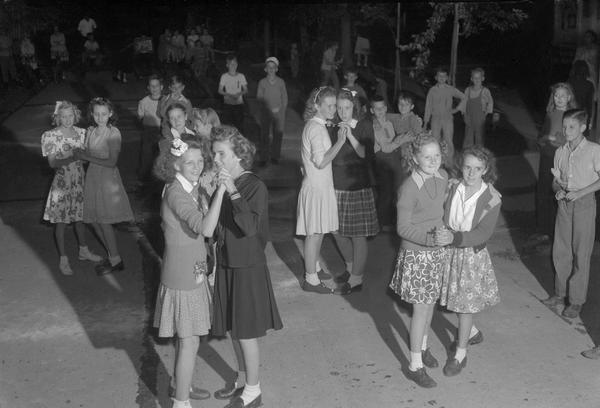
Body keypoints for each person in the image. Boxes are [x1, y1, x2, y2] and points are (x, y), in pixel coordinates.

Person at [208, 126, 283, 408]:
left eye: (220, 153)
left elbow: (249, 227)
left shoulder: (253, 186)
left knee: (246, 332)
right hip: (228, 262)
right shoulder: (226, 183)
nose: (215, 159)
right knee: (234, 328)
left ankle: (254, 390)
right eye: (213, 153)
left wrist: (232, 191)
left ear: (238, 155)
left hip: (247, 266)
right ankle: (242, 380)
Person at [152, 134, 226, 408]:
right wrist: (220, 191)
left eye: (199, 161)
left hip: (192, 271)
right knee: (190, 342)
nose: (197, 166)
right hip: (182, 278)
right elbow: (204, 228)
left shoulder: (189, 187)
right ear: (175, 166)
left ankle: (179, 385)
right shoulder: (176, 192)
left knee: (190, 340)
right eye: (189, 162)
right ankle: (180, 402)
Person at [389, 133, 450, 388]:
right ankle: (415, 365)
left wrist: (447, 232)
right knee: (421, 308)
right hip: (417, 253)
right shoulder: (408, 188)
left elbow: (443, 210)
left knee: (430, 304)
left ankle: (423, 348)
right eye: (427, 156)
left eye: (436, 155)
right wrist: (429, 239)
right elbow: (402, 228)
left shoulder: (443, 176)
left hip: (436, 251)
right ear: (415, 158)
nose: (433, 160)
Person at [438, 145, 501, 377]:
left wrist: (454, 237)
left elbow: (483, 233)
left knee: (464, 305)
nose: (471, 173)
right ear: (461, 167)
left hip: (471, 254)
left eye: (477, 168)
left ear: (485, 170)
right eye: (467, 167)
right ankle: (472, 331)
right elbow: (442, 211)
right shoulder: (454, 187)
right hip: (450, 250)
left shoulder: (491, 199)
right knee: (453, 298)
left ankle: (460, 354)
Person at [542, 109, 600, 320]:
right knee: (561, 251)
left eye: (572, 127)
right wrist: (558, 189)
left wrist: (581, 192)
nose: (566, 131)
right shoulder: (561, 152)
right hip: (565, 204)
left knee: (580, 254)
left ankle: (576, 302)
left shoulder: (594, 151)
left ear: (583, 127)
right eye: (564, 126)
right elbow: (556, 179)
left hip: (584, 204)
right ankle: (559, 294)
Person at [73, 97, 134, 276]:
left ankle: (116, 259)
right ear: (92, 114)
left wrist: (85, 157)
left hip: (107, 179)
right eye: (97, 114)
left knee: (104, 221)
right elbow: (82, 151)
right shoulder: (90, 130)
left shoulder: (113, 133)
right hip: (92, 177)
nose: (100, 117)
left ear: (110, 114)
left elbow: (112, 161)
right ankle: (113, 256)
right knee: (92, 219)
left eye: (104, 114)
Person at [41, 101, 103, 275]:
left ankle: (83, 250)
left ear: (76, 116)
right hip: (61, 185)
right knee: (61, 223)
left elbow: (84, 161)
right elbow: (53, 163)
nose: (67, 119)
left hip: (79, 181)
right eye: (63, 116)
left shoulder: (81, 133)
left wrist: (84, 157)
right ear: (57, 117)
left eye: (70, 115)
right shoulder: (50, 136)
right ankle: (63, 259)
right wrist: (71, 157)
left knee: (80, 219)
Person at [296, 86, 347, 294]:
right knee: (315, 234)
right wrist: (341, 142)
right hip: (316, 188)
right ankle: (311, 280)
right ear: (316, 105)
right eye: (329, 105)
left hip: (319, 186)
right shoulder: (316, 128)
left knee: (318, 232)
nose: (333, 109)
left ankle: (314, 268)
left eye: (334, 105)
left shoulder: (316, 125)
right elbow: (320, 161)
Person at [328, 88, 379, 292]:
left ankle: (357, 278)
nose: (343, 112)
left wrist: (350, 135)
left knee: (358, 234)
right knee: (336, 230)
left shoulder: (364, 125)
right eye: (339, 107)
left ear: (354, 107)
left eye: (347, 107)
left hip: (357, 186)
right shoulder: (333, 126)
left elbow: (366, 154)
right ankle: (350, 267)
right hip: (336, 185)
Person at [529, 83, 577, 248]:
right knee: (543, 192)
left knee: (559, 193)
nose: (559, 99)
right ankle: (543, 230)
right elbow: (541, 138)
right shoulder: (550, 113)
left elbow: (573, 140)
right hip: (547, 157)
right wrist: (545, 139)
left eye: (562, 95)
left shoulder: (571, 116)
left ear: (569, 97)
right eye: (556, 95)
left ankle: (561, 230)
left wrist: (556, 139)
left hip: (562, 160)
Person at [371, 94, 421, 228]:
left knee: (400, 188)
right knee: (388, 191)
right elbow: (386, 148)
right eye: (377, 109)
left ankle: (397, 219)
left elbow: (418, 134)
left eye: (383, 108)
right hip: (386, 159)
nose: (381, 111)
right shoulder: (378, 124)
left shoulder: (390, 120)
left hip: (403, 158)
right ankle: (380, 223)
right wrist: (401, 140)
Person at [424, 67, 466, 168]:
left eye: (444, 76)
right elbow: (428, 106)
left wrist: (457, 109)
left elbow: (464, 97)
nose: (442, 78)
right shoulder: (432, 90)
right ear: (436, 77)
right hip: (435, 118)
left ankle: (449, 162)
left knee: (448, 139)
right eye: (439, 76)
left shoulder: (450, 89)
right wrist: (426, 122)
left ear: (447, 77)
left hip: (447, 118)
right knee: (435, 139)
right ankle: (436, 161)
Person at [256, 56, 288, 166]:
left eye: (273, 67)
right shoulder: (262, 82)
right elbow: (259, 97)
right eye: (269, 67)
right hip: (266, 113)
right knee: (264, 135)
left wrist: (281, 109)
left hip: (279, 113)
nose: (271, 69)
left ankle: (275, 156)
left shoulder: (281, 82)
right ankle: (264, 158)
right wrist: (267, 109)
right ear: (265, 69)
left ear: (276, 69)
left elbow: (284, 97)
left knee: (277, 135)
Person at [136, 75, 163, 187]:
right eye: (152, 86)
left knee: (161, 155)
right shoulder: (144, 101)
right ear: (148, 87)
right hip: (148, 131)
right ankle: (143, 179)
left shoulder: (166, 100)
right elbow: (140, 116)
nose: (154, 88)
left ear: (161, 87)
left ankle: (160, 178)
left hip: (162, 131)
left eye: (156, 86)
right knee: (146, 155)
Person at [191, 107, 221, 196]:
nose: (194, 128)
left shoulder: (218, 145)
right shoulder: (200, 142)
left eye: (197, 126)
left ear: (208, 126)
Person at [462, 68, 493, 148]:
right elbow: (463, 103)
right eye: (474, 78)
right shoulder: (467, 90)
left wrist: (485, 114)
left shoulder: (485, 91)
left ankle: (479, 155)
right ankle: (468, 154)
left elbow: (490, 102)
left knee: (479, 138)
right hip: (468, 117)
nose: (477, 79)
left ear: (483, 78)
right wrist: (464, 114)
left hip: (479, 118)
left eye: (479, 77)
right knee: (468, 137)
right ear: (471, 79)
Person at [218, 53, 247, 132]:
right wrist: (229, 94)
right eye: (230, 64)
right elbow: (220, 90)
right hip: (228, 104)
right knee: (228, 126)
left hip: (239, 104)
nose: (233, 66)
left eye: (234, 64)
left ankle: (240, 142)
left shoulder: (241, 76)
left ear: (237, 64)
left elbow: (245, 89)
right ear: (227, 65)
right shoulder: (224, 76)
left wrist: (239, 94)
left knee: (240, 126)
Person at [568, 60, 595, 129]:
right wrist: (590, 120)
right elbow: (590, 105)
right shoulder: (589, 85)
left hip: (569, 113)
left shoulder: (569, 82)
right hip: (581, 115)